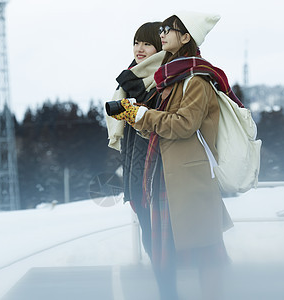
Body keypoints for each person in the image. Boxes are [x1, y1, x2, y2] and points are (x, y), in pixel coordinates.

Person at [110, 12, 242, 300]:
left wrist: (141, 114)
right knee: (171, 254)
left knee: (207, 253)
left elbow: (183, 125)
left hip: (188, 179)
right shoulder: (174, 77)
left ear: (185, 37)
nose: (163, 33)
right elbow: (161, 130)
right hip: (167, 177)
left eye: (169, 30)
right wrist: (134, 118)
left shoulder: (196, 79)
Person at [105, 22, 165, 261]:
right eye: (136, 42)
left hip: (155, 161)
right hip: (133, 155)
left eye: (147, 44)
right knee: (145, 223)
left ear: (160, 46)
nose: (139, 49)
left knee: (157, 231)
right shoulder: (132, 77)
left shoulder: (164, 76)